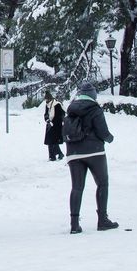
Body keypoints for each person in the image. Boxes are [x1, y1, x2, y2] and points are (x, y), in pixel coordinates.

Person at [65, 82, 118, 234]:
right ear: (93, 95)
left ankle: (74, 224)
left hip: (74, 153)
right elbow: (102, 132)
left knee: (76, 187)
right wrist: (110, 138)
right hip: (94, 152)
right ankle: (102, 220)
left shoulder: (71, 108)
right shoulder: (95, 109)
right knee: (102, 184)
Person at [43, 91, 65, 161]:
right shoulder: (47, 105)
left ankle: (53, 156)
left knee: (53, 141)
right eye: (45, 99)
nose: (46, 101)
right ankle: (56, 155)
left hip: (56, 126)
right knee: (51, 141)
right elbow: (46, 114)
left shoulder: (57, 104)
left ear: (50, 98)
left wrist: (53, 122)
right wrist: (47, 120)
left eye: (47, 99)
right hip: (50, 125)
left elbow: (60, 116)